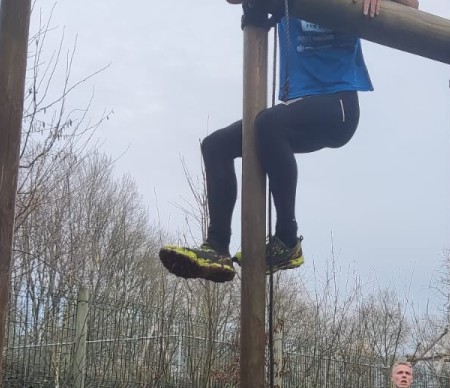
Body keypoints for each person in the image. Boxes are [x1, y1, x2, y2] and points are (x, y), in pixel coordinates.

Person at [160, 0, 420, 283]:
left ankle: (287, 238)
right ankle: (217, 248)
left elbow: (412, 6)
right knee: (216, 145)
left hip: (339, 103)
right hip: (299, 107)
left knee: (269, 124)